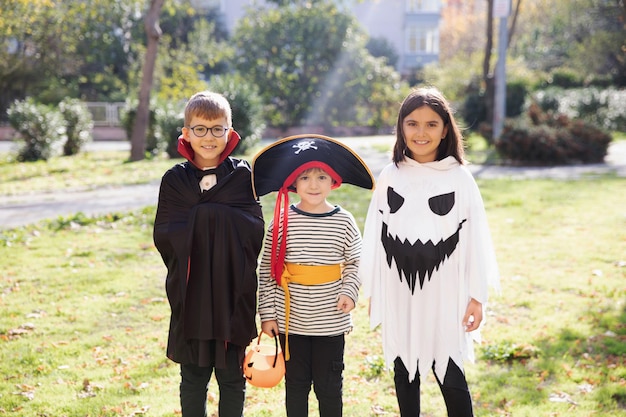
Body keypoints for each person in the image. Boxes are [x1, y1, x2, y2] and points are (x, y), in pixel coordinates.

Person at [359, 87, 500, 417]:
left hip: (445, 291)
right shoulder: (391, 176)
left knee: (449, 370)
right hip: (399, 290)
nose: (421, 132)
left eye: (431, 124)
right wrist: (375, 292)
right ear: (401, 127)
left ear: (445, 129)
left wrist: (477, 296)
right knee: (403, 370)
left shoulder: (460, 179)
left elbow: (476, 238)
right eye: (412, 123)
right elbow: (376, 237)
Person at [153, 91, 265, 417]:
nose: (209, 137)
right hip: (193, 294)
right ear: (186, 133)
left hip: (233, 291)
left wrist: (204, 215)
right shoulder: (174, 180)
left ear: (230, 132)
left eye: (218, 129)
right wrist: (212, 216)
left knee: (232, 377)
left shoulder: (244, 177)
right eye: (200, 129)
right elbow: (165, 233)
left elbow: (254, 229)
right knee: (193, 377)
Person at [251, 134, 375, 417]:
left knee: (329, 386)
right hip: (290, 320)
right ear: (294, 184)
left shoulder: (343, 220)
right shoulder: (282, 221)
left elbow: (357, 261)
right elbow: (269, 270)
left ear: (333, 181)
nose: (314, 184)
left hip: (330, 320)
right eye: (305, 177)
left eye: (321, 177)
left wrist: (349, 292)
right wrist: (267, 314)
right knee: (296, 385)